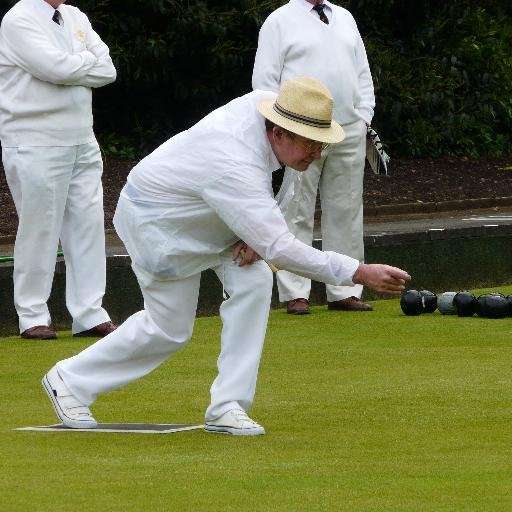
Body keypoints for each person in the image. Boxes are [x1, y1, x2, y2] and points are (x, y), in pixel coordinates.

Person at [41, 77, 410, 436]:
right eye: (311, 146)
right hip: (160, 222)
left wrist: (255, 230)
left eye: (321, 145)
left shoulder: (276, 114)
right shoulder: (234, 161)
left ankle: (227, 407)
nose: (317, 155)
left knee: (255, 279)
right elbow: (280, 247)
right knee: (168, 329)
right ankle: (69, 380)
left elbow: (269, 206)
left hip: (213, 212)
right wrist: (358, 272)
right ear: (279, 133)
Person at [0, 0, 117, 339]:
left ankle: (89, 313)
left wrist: (73, 66)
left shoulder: (75, 16)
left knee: (88, 226)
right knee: (40, 228)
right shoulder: (19, 19)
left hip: (82, 138)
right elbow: (54, 69)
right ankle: (32, 315)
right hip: (34, 139)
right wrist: (84, 65)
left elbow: (108, 69)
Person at [253, 0, 376, 315]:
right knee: (295, 208)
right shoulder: (279, 20)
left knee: (347, 210)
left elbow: (362, 73)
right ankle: (296, 292)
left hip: (349, 127)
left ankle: (344, 289)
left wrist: (364, 117)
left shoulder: (345, 17)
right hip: (299, 130)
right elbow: (264, 83)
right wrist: (279, 129)